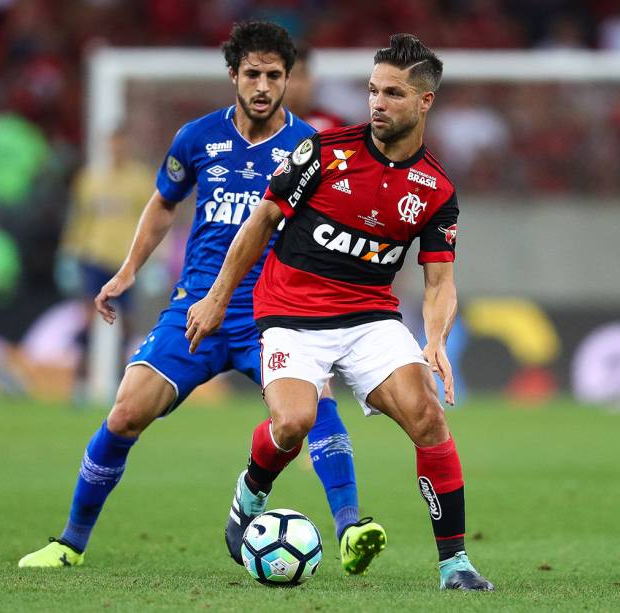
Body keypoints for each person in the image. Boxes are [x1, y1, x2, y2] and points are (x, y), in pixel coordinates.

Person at [19, 21, 383, 574]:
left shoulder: (310, 148)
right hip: (196, 312)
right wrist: (127, 270)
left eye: (275, 76)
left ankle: (350, 527)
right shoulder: (197, 138)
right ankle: (69, 542)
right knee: (124, 414)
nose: (263, 86)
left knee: (312, 410)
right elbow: (164, 204)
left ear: (288, 79)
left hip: (273, 315)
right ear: (234, 74)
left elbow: (330, 228)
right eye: (253, 74)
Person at [186, 34, 494, 591]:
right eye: (373, 90)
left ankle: (455, 564)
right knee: (294, 423)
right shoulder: (325, 153)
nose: (377, 103)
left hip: (369, 317)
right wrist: (215, 297)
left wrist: (437, 338)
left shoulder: (436, 189)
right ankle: (249, 494)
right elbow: (259, 223)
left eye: (393, 94)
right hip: (289, 311)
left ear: (424, 102)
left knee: (428, 415)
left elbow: (441, 280)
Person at [57, 127, 155, 389]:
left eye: (122, 144)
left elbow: (155, 220)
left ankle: (122, 384)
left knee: (128, 325)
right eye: (113, 144)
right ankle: (79, 382)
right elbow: (80, 218)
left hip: (126, 260)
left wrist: (155, 259)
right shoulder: (89, 179)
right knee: (89, 319)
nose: (117, 149)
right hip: (94, 255)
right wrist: (69, 253)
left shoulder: (140, 180)